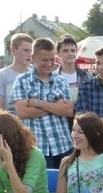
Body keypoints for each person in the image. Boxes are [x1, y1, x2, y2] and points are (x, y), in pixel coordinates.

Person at [11, 37, 74, 169]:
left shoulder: (60, 81)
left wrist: (37, 103)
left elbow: (69, 111)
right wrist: (56, 107)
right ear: (33, 57)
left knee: (65, 187)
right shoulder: (22, 80)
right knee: (43, 188)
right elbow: (22, 112)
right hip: (37, 148)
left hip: (63, 145)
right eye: (45, 60)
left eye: (52, 60)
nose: (49, 64)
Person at [0, 33, 33, 114]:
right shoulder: (1, 75)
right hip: (10, 124)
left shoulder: (35, 75)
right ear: (13, 50)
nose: (30, 54)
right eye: (26, 50)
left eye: (31, 51)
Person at [54, 34, 92, 104]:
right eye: (65, 51)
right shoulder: (52, 78)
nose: (70, 53)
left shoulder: (86, 76)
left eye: (73, 50)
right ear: (58, 53)